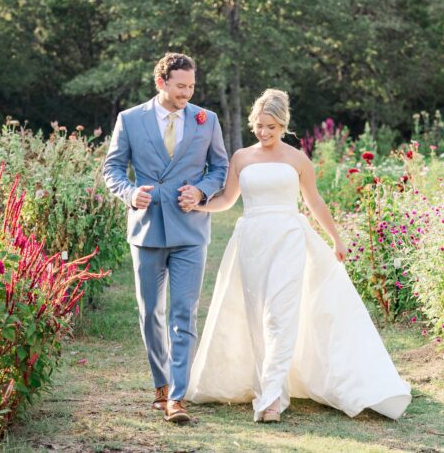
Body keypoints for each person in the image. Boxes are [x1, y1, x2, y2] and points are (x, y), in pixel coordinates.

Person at [185, 89, 411, 423]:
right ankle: (268, 385)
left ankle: (272, 399)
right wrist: (200, 205)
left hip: (288, 238)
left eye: (271, 127)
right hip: (252, 242)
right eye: (260, 126)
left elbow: (314, 202)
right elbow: (228, 199)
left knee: (280, 315)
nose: (264, 133)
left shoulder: (296, 159)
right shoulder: (241, 158)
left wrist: (336, 238)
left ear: (283, 125)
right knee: (257, 318)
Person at [102, 52, 229, 424]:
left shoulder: (208, 121)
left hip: (190, 231)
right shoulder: (130, 120)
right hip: (146, 229)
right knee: (149, 313)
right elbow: (112, 168)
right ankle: (160, 387)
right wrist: (128, 193)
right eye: (180, 87)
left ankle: (177, 396)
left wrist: (202, 192)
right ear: (161, 83)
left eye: (191, 87)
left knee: (183, 313)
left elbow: (220, 167)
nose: (187, 94)